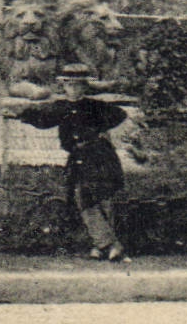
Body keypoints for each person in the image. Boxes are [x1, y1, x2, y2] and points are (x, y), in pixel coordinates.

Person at [13, 63, 129, 261]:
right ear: (64, 86)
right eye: (69, 84)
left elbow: (119, 114)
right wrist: (21, 114)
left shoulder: (94, 105)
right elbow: (43, 119)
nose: (73, 89)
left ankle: (101, 245)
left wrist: (98, 130)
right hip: (79, 158)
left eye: (78, 85)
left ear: (85, 86)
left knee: (103, 198)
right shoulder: (60, 107)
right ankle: (109, 245)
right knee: (83, 197)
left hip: (100, 155)